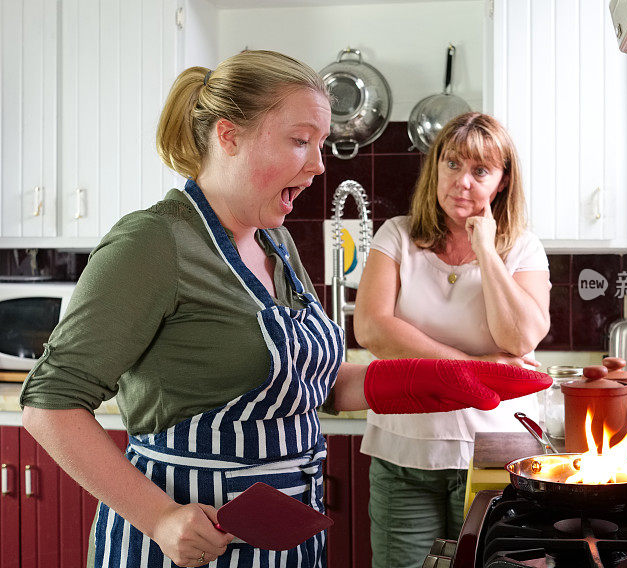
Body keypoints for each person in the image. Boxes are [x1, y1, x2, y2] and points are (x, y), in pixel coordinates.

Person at [18, 52, 552, 568]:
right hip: (185, 549)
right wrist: (159, 518)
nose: (319, 165)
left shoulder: (276, 241)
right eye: (301, 141)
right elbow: (49, 406)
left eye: (319, 145)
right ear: (229, 135)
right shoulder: (154, 243)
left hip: (283, 545)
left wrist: (441, 378)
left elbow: (315, 382)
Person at [353, 112, 552, 568]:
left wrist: (486, 249)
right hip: (404, 451)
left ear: (501, 182)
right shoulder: (397, 235)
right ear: (435, 168)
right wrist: (470, 366)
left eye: (480, 171)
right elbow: (372, 328)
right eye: (452, 165)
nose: (462, 182)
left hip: (498, 455)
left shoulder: (522, 247)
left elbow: (520, 336)